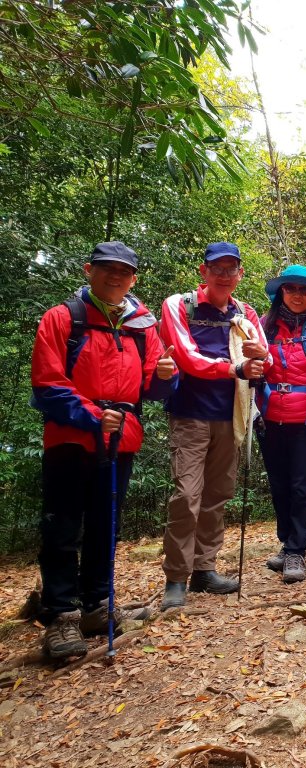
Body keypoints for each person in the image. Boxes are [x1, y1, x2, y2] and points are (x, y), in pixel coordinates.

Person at [31, 242, 177, 657]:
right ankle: (61, 616)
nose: (116, 277)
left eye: (124, 272)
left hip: (120, 437)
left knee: (105, 525)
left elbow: (152, 385)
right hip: (69, 437)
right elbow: (46, 385)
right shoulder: (64, 319)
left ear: (134, 278)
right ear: (89, 270)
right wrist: (91, 414)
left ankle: (97, 605)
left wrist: (167, 376)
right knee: (61, 527)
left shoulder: (142, 324)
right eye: (107, 269)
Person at [159, 242, 271, 610]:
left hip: (232, 415)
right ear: (203, 271)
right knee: (186, 497)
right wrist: (234, 366)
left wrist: (259, 360)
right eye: (217, 268)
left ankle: (204, 569)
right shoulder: (180, 305)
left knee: (218, 495)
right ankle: (176, 576)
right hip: (190, 413)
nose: (224, 275)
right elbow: (187, 356)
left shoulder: (246, 311)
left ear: (240, 273)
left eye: (231, 269)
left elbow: (265, 355)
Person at [257, 265, 306, 584]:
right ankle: (287, 542)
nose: (298, 295)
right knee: (278, 484)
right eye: (291, 289)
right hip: (269, 416)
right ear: (281, 294)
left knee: (302, 486)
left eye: (304, 291)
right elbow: (255, 365)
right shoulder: (264, 326)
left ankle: (296, 552)